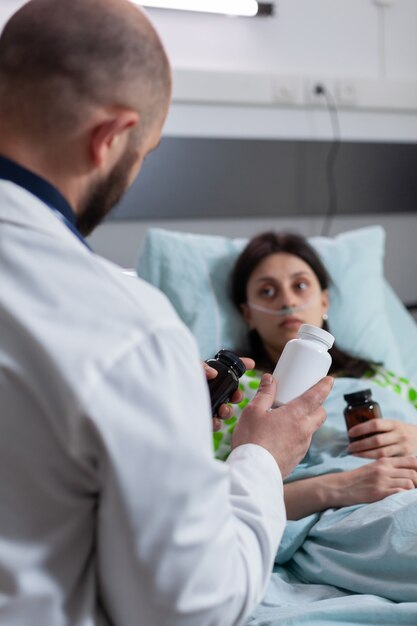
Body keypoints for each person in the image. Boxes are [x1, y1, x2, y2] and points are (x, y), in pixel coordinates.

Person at [0, 3, 333, 626]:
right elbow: (190, 607)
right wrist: (260, 459)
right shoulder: (127, 325)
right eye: (143, 153)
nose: (288, 301)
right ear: (110, 139)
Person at [214, 231, 417, 520]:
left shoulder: (382, 377)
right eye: (267, 292)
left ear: (324, 302)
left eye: (300, 285)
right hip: (340, 521)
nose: (287, 300)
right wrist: (339, 487)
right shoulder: (233, 392)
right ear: (248, 315)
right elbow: (220, 503)